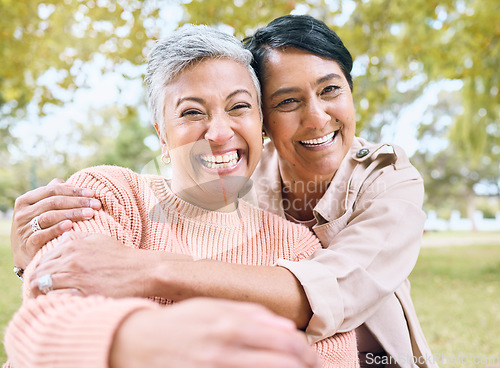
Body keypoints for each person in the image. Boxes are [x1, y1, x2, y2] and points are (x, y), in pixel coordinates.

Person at [9, 15, 436, 368]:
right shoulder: (113, 193)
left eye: (237, 107)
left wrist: (148, 271)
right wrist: (35, 260)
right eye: (192, 112)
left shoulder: (376, 187)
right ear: (161, 133)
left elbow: (327, 309)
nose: (317, 117)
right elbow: (47, 315)